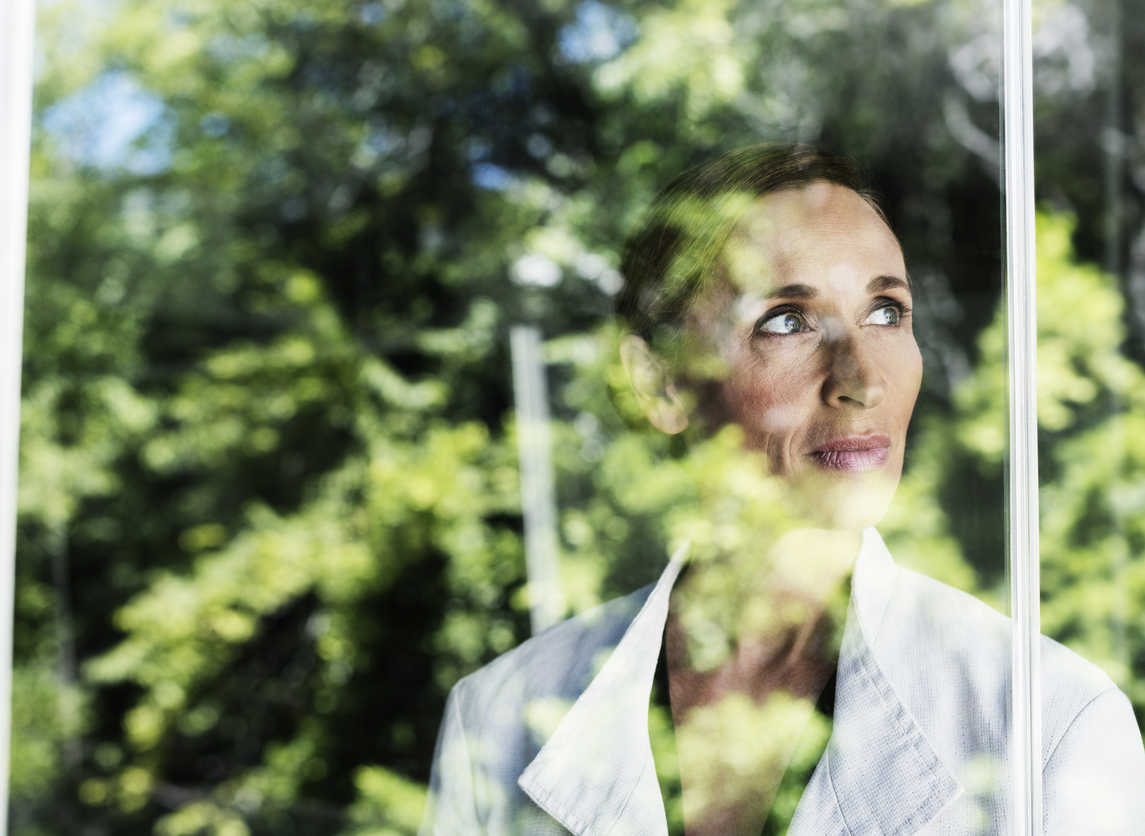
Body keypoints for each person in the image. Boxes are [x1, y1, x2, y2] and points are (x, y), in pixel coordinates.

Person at [419, 144, 1145, 836]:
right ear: (660, 383)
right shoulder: (497, 716)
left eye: (886, 310)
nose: (862, 380)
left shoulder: (1053, 725)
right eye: (788, 321)